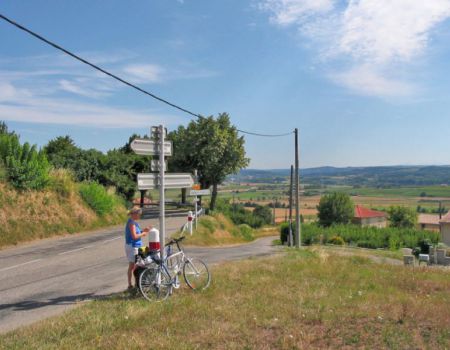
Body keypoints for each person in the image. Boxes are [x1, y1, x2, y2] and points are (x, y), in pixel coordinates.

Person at [125, 206, 151, 291]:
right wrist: (143, 234)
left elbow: (137, 232)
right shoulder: (131, 223)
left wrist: (144, 230)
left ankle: (139, 282)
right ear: (135, 214)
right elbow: (134, 236)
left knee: (143, 262)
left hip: (138, 246)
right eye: (139, 214)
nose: (140, 216)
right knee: (133, 265)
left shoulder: (134, 222)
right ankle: (131, 284)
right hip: (133, 246)